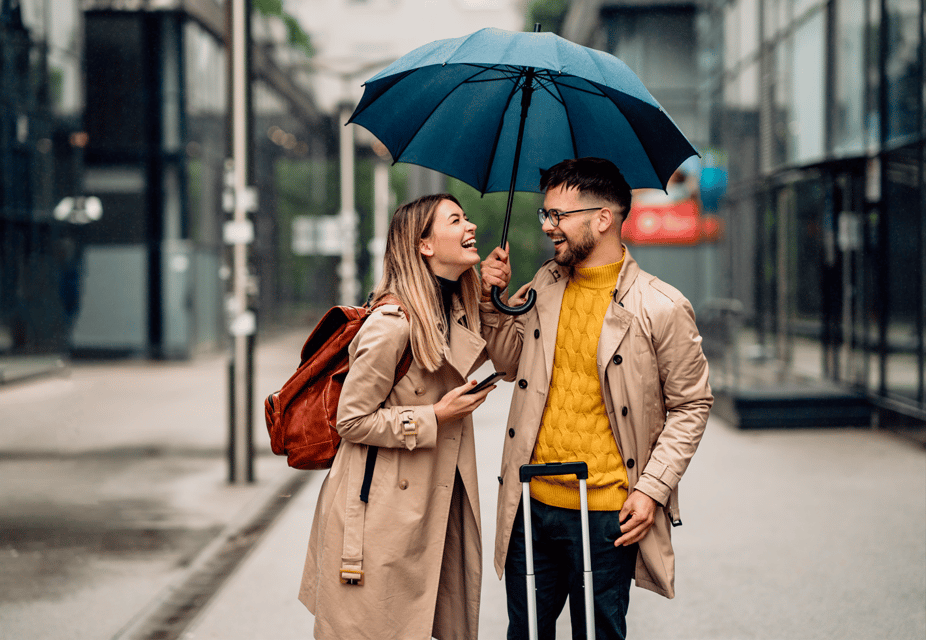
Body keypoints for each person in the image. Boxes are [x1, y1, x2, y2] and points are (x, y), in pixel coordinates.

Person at [480, 157, 713, 640]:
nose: (548, 227)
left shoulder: (661, 306)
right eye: (544, 215)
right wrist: (491, 301)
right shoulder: (543, 283)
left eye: (558, 216)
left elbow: (692, 405)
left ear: (603, 218)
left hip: (608, 512)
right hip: (532, 502)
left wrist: (652, 489)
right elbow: (507, 364)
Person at [299, 193, 511, 640]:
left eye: (467, 218)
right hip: (379, 512)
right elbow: (350, 421)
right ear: (424, 245)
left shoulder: (447, 311)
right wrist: (435, 415)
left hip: (429, 502)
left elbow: (505, 363)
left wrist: (492, 297)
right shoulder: (392, 323)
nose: (470, 226)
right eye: (455, 220)